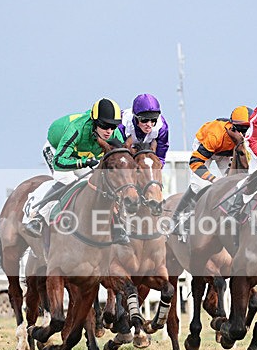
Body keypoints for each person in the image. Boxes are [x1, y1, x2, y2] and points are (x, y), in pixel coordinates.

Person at [23, 98, 126, 241]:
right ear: (95, 122)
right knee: (67, 180)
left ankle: (116, 223)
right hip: (57, 151)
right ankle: (37, 217)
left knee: (96, 183)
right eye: (104, 126)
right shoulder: (76, 129)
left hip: (83, 154)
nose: (109, 131)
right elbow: (59, 161)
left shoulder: (115, 134)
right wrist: (84, 162)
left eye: (113, 126)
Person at [170, 106, 251, 225]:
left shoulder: (248, 138)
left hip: (225, 153)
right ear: (233, 127)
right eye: (242, 129)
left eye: (248, 130)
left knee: (233, 183)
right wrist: (212, 178)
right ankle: (177, 218)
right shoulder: (215, 136)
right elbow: (195, 162)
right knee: (199, 185)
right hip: (206, 148)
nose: (245, 134)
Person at [118, 93, 169, 165]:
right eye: (144, 120)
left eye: (153, 120)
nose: (149, 125)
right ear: (136, 118)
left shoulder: (162, 127)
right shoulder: (122, 124)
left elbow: (160, 157)